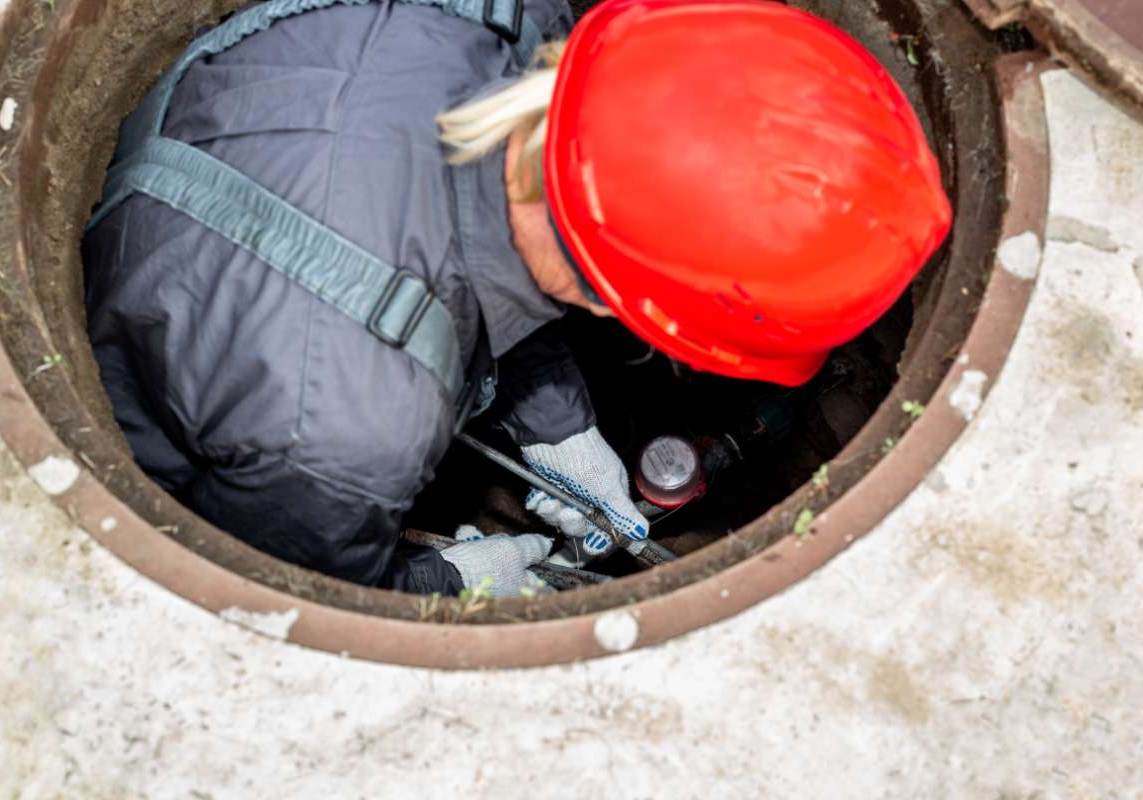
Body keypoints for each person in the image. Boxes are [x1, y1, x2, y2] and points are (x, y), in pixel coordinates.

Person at [82, 0, 951, 598]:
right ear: (634, 319)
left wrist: (557, 425)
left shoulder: (514, 20)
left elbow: (501, 235)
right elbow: (285, 589)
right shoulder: (344, 432)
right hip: (191, 397)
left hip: (241, 186)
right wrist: (450, 586)